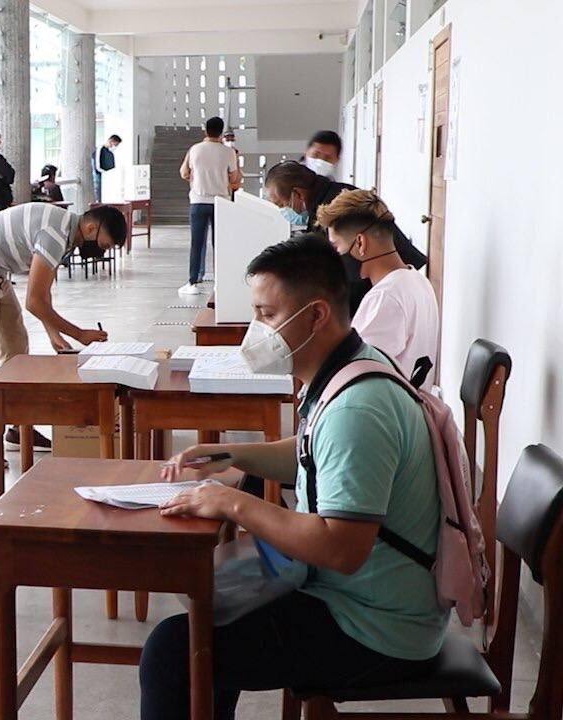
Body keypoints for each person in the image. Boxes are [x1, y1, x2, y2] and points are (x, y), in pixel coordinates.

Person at [140, 233, 445, 719]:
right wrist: (234, 455)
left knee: (173, 651)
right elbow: (312, 455)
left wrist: (233, 503)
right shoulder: (351, 366)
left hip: (376, 626)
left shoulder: (358, 408)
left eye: (267, 315)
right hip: (358, 597)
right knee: (210, 618)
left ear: (317, 315)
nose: (255, 330)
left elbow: (341, 548)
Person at [0, 203, 126, 467]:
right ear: (91, 228)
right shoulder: (55, 235)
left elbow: (44, 293)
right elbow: (34, 301)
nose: (103, 251)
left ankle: (17, 428)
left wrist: (53, 332)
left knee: (17, 348)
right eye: (105, 244)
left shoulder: (66, 233)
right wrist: (79, 334)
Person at [263, 160, 427, 314]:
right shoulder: (332, 196)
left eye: (281, 205)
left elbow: (351, 279)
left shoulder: (336, 210)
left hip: (385, 292)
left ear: (297, 194)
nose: (283, 211)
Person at [318, 190, 440, 391]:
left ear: (360, 243)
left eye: (336, 246)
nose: (335, 256)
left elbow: (357, 378)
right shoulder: (418, 281)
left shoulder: (385, 297)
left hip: (385, 414)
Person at [179, 116, 241, 295]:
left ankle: (193, 283)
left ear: (205, 130)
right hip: (221, 202)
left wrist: (195, 177)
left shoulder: (195, 149)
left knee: (196, 243)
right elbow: (235, 178)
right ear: (221, 132)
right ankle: (219, 282)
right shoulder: (228, 152)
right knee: (220, 243)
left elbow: (183, 172)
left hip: (198, 201)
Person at [93, 134, 122, 201]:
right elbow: (97, 165)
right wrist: (104, 173)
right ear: (111, 141)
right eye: (115, 144)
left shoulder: (110, 153)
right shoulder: (100, 149)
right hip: (100, 178)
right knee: (99, 197)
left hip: (108, 179)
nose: (114, 147)